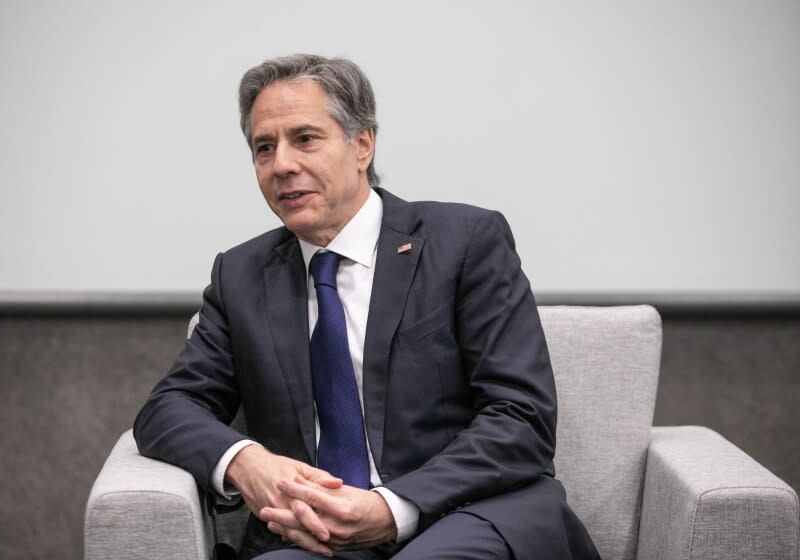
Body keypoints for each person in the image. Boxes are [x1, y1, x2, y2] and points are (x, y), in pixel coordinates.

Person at [134, 54, 600, 560]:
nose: (282, 164)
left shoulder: (464, 242)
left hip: (466, 512)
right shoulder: (240, 276)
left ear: (362, 144)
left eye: (305, 138)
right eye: (263, 148)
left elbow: (521, 417)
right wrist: (247, 462)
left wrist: (389, 507)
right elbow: (167, 408)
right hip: (318, 538)